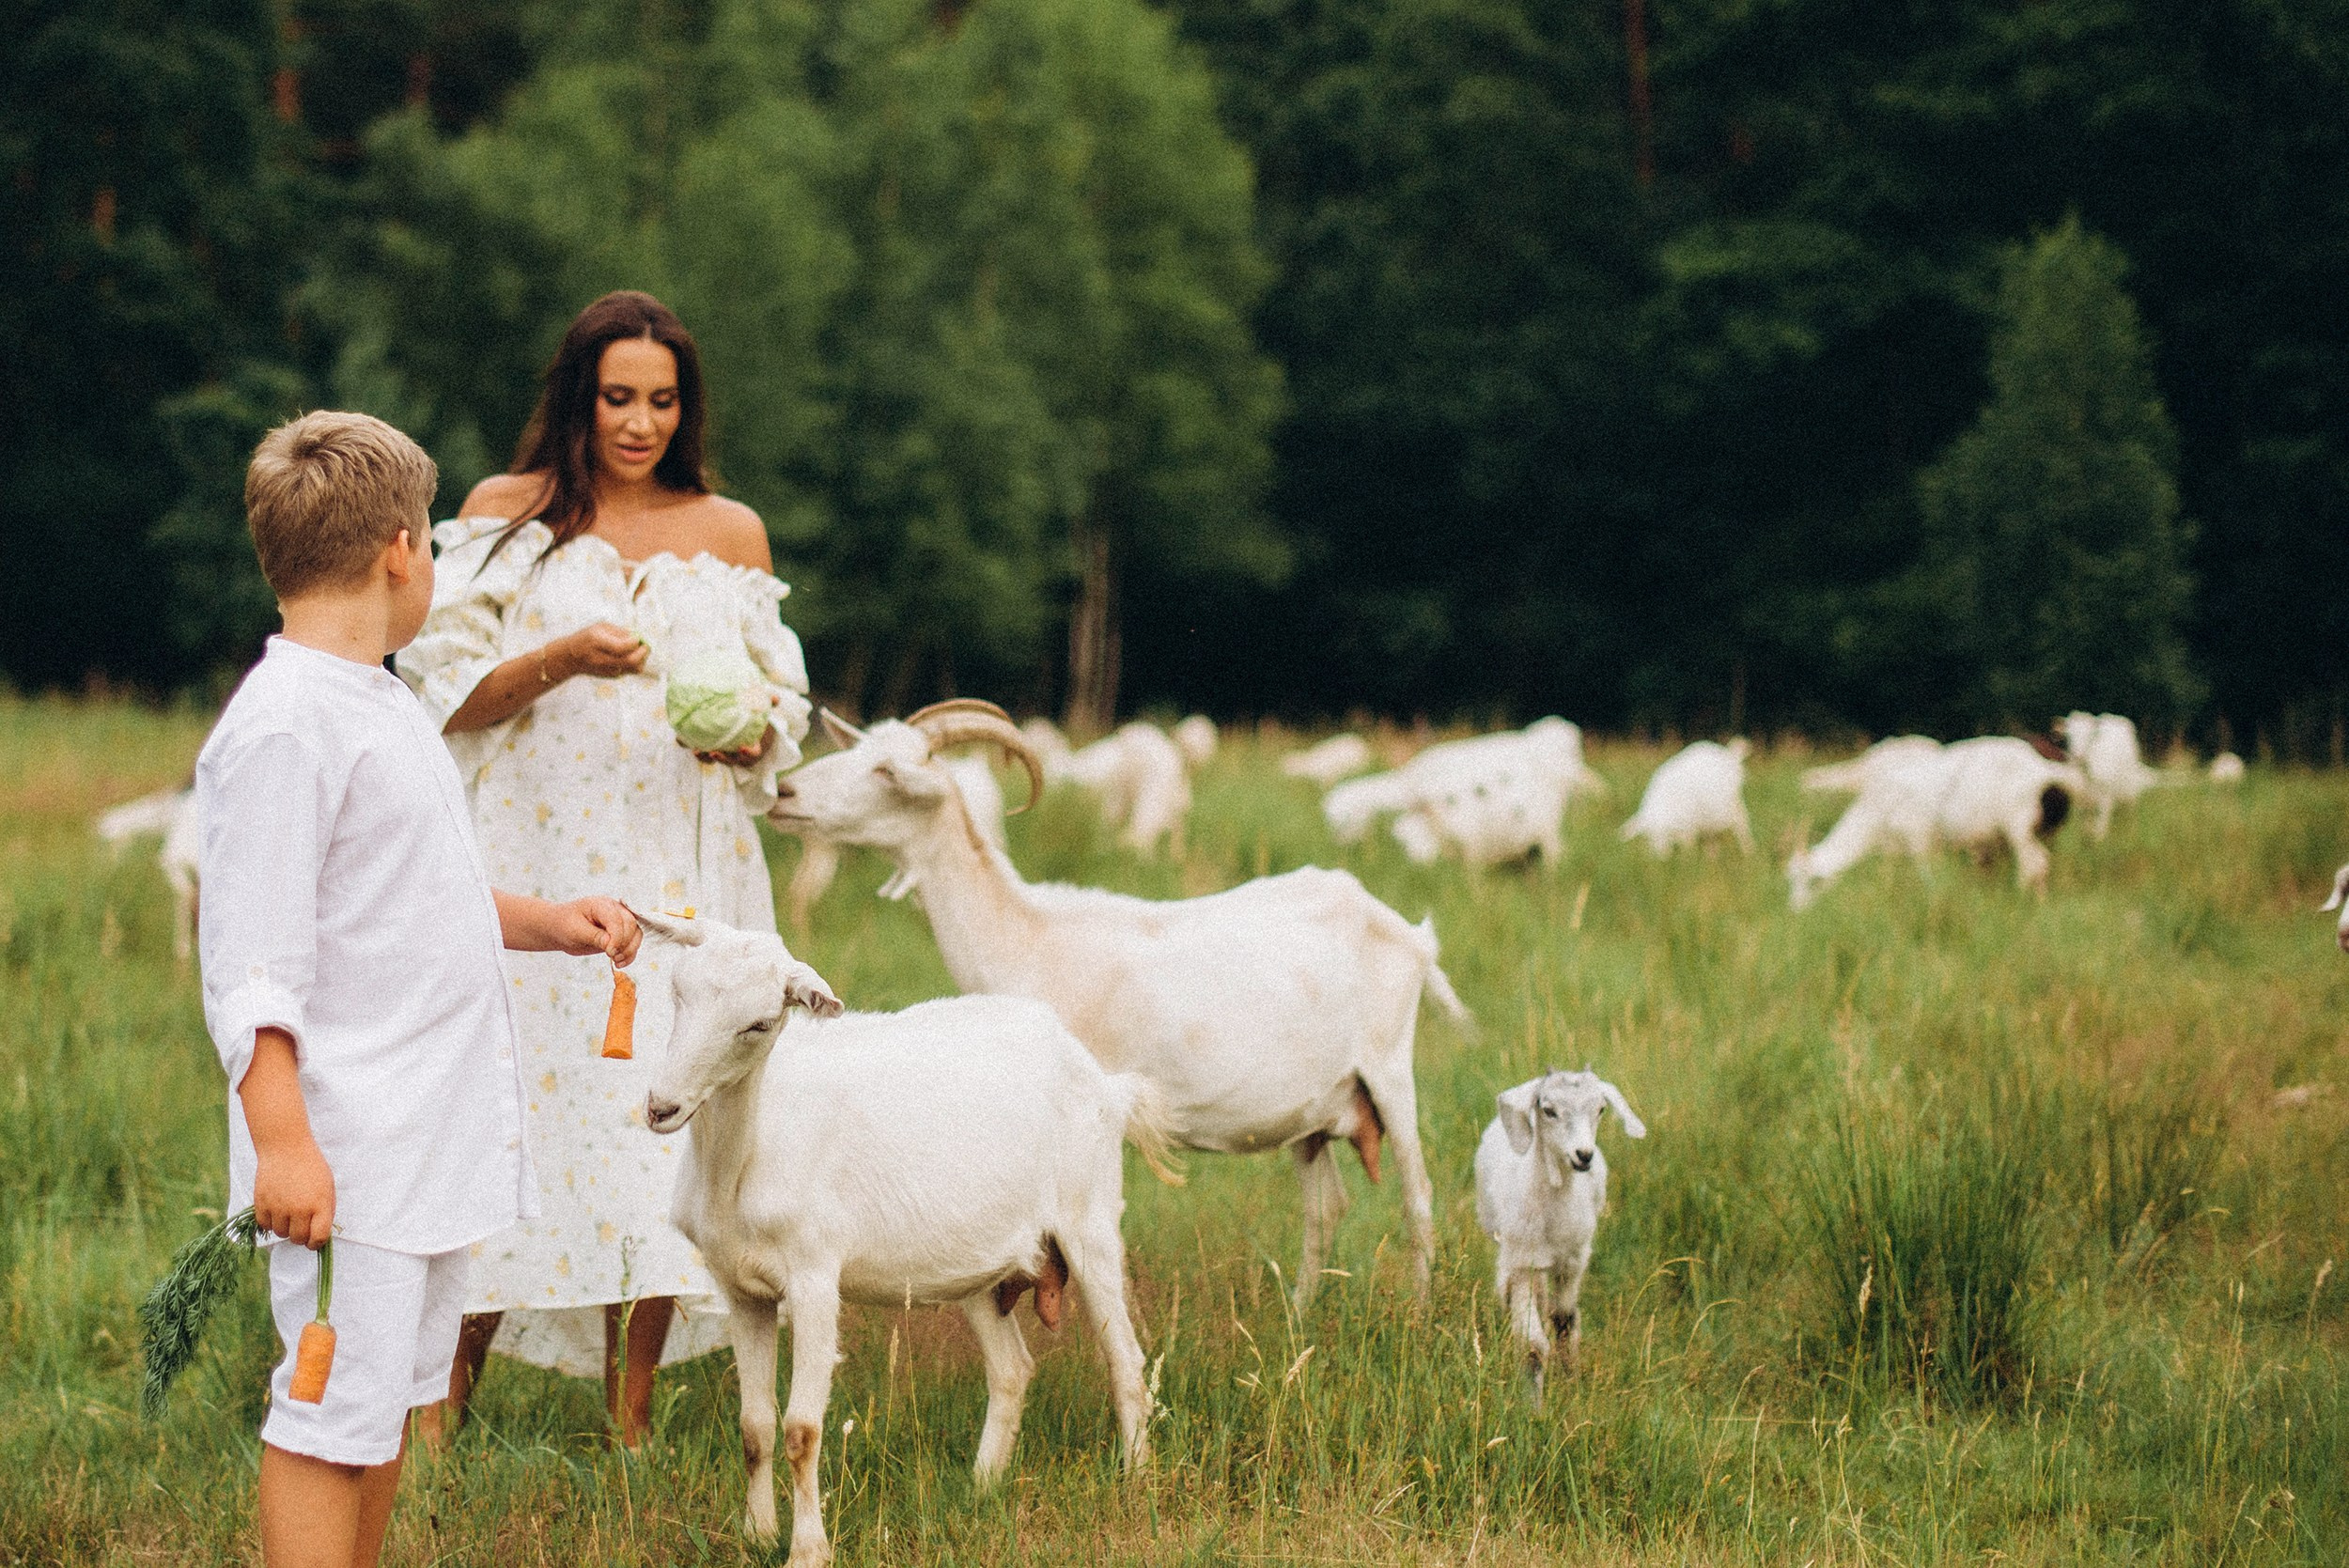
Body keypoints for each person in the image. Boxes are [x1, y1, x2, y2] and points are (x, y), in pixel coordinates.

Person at [197, 411, 644, 1568]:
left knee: (387, 1403)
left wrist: (549, 923)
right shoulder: (287, 726)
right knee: (328, 1413)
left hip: (427, 1141)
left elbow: (414, 893)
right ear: (403, 550)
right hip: (351, 1152)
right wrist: (285, 1143)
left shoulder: (384, 701)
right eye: (435, 548)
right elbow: (253, 964)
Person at [397, 291, 811, 1446]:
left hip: (681, 868)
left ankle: (629, 1424)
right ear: (578, 396)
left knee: (651, 1132)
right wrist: (563, 657)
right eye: (618, 397)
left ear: (687, 408)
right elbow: (443, 699)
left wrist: (737, 731)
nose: (640, 423)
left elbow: (779, 722)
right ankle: (442, 1407)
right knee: (509, 1118)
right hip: (536, 862)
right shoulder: (503, 517)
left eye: (662, 400)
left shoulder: (729, 532)